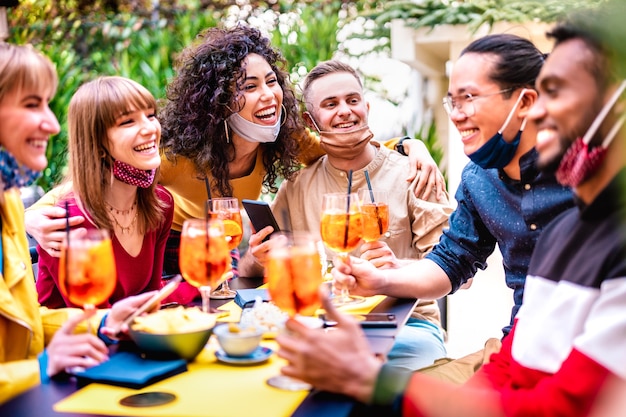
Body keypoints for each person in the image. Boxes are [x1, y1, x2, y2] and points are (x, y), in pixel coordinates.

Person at [275, 3, 626, 413]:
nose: (540, 112)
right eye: (452, 101)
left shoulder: (603, 230)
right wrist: (379, 281)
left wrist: (372, 381)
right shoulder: (518, 204)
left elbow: (560, 403)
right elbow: (457, 267)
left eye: (555, 92)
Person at [24, 25, 445, 304]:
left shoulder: (284, 140)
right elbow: (80, 184)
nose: (269, 95)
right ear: (218, 101)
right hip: (170, 261)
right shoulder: (172, 154)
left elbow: (345, 144)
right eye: (248, 86)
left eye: (271, 82)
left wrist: (408, 147)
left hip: (224, 264)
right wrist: (29, 219)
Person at [328, 33, 576, 381]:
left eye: (469, 98)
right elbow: (451, 261)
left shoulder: (591, 170)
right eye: (452, 102)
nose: (457, 115)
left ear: (525, 102)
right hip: (521, 347)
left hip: (590, 358)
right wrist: (381, 279)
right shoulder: (478, 180)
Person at [240, 60, 454, 371]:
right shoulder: (296, 186)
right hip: (321, 329)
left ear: (366, 106)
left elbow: (462, 276)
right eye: (330, 104)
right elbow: (252, 271)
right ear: (311, 121)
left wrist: (397, 270)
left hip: (406, 329)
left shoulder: (414, 173)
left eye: (352, 100)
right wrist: (256, 258)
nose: (345, 111)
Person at [0, 43, 158, 404]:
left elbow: (25, 323)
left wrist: (103, 322)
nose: (53, 124)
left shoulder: (8, 203)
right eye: (30, 105)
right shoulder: (62, 219)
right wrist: (40, 368)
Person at [34, 76, 174, 308]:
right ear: (97, 144)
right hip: (75, 339)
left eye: (150, 115)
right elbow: (97, 320)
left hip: (132, 337)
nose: (150, 128)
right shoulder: (67, 222)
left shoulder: (161, 203)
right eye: (128, 121)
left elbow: (151, 301)